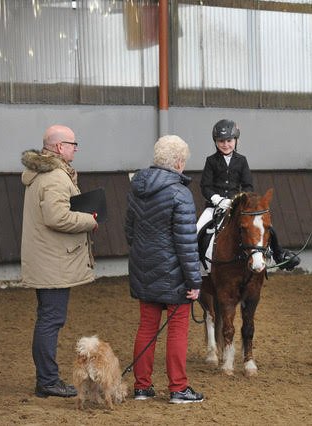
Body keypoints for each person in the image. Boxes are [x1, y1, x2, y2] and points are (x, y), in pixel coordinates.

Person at [20, 124, 98, 398]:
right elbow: (57, 217)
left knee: (48, 318)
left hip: (47, 258)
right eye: (73, 144)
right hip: (52, 260)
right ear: (59, 147)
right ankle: (48, 381)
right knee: (51, 320)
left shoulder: (44, 174)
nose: (76, 149)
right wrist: (90, 220)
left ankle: (46, 380)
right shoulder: (54, 177)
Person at [125, 135, 204, 404]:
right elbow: (186, 243)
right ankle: (178, 388)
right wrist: (194, 281)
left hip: (143, 268)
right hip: (174, 275)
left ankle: (142, 387)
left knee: (146, 328)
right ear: (179, 162)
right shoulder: (180, 193)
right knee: (177, 329)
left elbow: (129, 232)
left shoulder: (136, 188)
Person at [196, 119, 300, 271]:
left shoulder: (242, 161)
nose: (225, 144)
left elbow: (248, 186)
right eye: (221, 141)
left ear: (236, 140)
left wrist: (238, 200)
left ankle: (279, 255)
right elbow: (205, 186)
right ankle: (195, 266)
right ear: (216, 142)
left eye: (229, 141)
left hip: (238, 207)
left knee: (266, 226)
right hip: (215, 207)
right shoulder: (211, 161)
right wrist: (217, 199)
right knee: (197, 229)